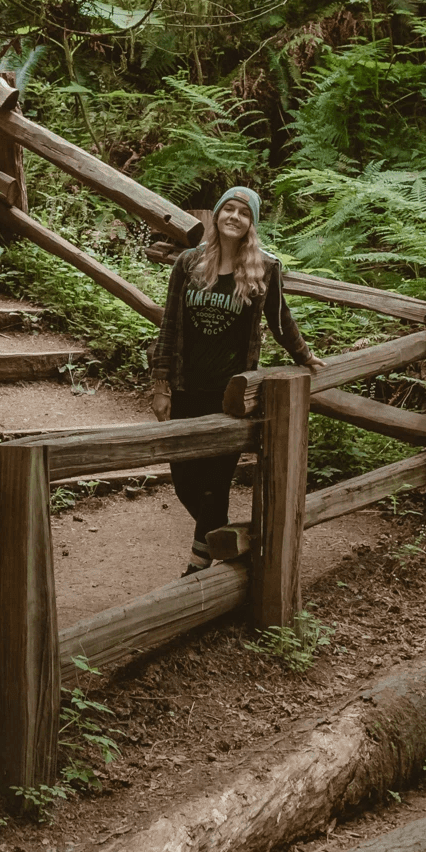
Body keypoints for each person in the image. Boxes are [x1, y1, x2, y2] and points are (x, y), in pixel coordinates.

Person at [150, 186, 319, 574]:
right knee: (183, 480)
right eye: (229, 208)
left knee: (214, 482)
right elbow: (170, 325)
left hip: (230, 395)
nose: (234, 217)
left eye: (244, 213)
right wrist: (161, 386)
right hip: (185, 388)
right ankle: (227, 538)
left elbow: (280, 320)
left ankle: (198, 563)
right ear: (217, 214)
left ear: (251, 224)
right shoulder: (189, 263)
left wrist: (305, 356)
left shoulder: (265, 268)